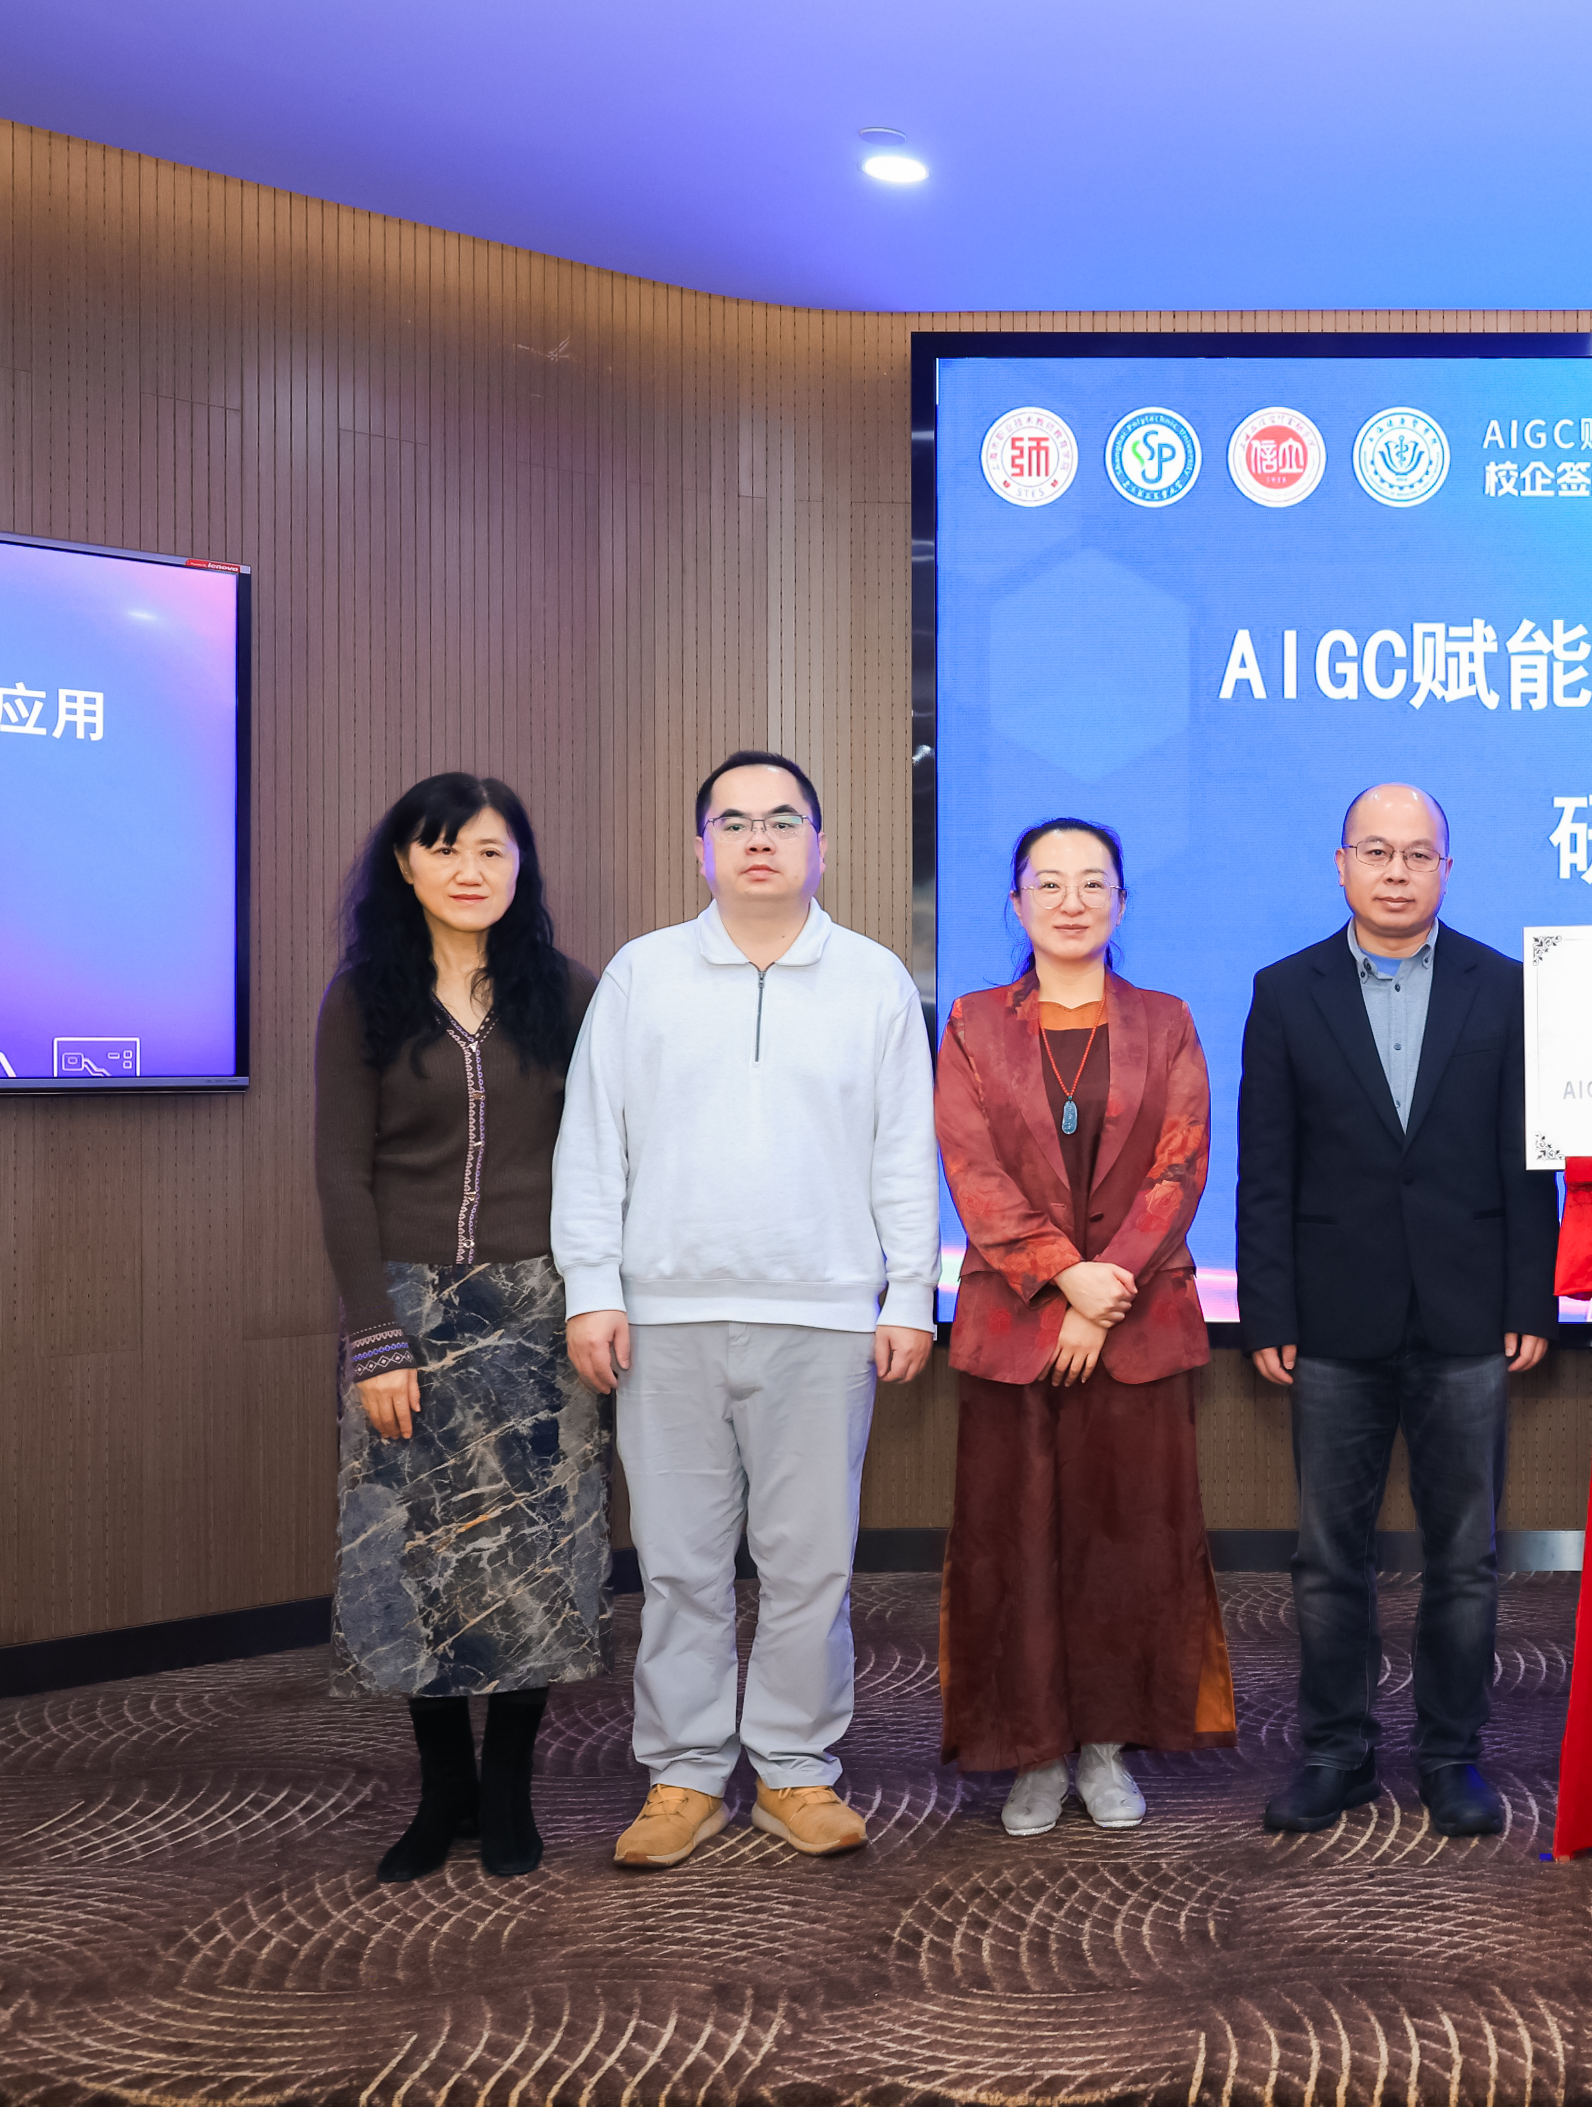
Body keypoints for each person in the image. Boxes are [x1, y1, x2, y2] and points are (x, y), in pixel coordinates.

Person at [553, 749, 938, 1870]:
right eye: (732, 822)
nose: (757, 838)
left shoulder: (872, 979)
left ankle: (793, 1768)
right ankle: (682, 1775)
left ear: (821, 845)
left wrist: (908, 1292)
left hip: (825, 1316)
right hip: (664, 1317)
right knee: (679, 1564)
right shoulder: (643, 975)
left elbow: (904, 1152)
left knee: (809, 1564)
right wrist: (592, 1289)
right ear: (701, 848)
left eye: (781, 820)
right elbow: (593, 1144)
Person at [1237, 782, 1559, 1838]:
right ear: (1341, 865)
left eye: (1418, 854)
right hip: (1332, 1318)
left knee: (1464, 1557)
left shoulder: (1501, 987)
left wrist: (1531, 1295)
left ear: (1446, 870)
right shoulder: (1284, 992)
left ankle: (1451, 1755)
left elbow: (1530, 1161)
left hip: (1469, 1316)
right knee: (1329, 1557)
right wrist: (1268, 1310)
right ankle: (1334, 1752)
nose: (1396, 872)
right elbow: (1266, 1169)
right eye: (1375, 852)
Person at [317, 774, 600, 1881]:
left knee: (536, 1551)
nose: (469, 871)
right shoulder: (365, 997)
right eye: (444, 850)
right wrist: (372, 1335)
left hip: (540, 1309)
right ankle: (442, 1793)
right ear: (405, 865)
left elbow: (609, 1156)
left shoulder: (565, 992)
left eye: (491, 850)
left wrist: (598, 1296)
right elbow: (342, 1175)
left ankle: (508, 1789)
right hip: (407, 1313)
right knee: (415, 1554)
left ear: (521, 863)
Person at [934, 817, 1234, 1834]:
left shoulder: (1166, 1020)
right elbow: (972, 1170)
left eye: (1093, 882)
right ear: (1016, 903)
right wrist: (1065, 1280)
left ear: (1121, 901)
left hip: (1137, 1327)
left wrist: (1108, 1292)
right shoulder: (974, 1024)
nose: (1072, 901)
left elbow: (1181, 1164)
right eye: (1049, 883)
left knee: (1127, 1545)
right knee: (1013, 1543)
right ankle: (1032, 1751)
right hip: (1016, 1327)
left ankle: (1105, 1746)